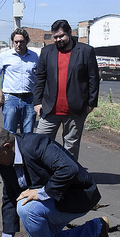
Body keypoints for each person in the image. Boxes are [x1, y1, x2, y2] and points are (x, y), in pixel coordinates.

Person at [0, 126, 109, 237]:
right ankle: (96, 229)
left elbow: (68, 168)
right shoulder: (4, 161)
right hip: (54, 200)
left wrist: (42, 192)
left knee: (26, 208)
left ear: (7, 147)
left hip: (78, 195)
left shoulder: (36, 144)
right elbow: (10, 196)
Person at [33, 19, 99, 159]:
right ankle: (44, 175)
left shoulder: (85, 51)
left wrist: (91, 104)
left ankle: (68, 177)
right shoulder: (46, 51)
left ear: (70, 33)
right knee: (40, 143)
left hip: (75, 110)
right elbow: (40, 78)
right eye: (55, 37)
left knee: (71, 148)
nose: (58, 40)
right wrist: (37, 102)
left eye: (61, 36)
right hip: (50, 108)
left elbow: (93, 78)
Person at [0, 28, 38, 133]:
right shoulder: (5, 56)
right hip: (10, 99)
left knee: (28, 134)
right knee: (9, 133)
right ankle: (11, 150)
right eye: (16, 42)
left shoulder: (35, 57)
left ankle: (24, 150)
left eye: (21, 42)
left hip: (29, 100)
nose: (18, 44)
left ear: (27, 42)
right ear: (12, 42)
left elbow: (40, 77)